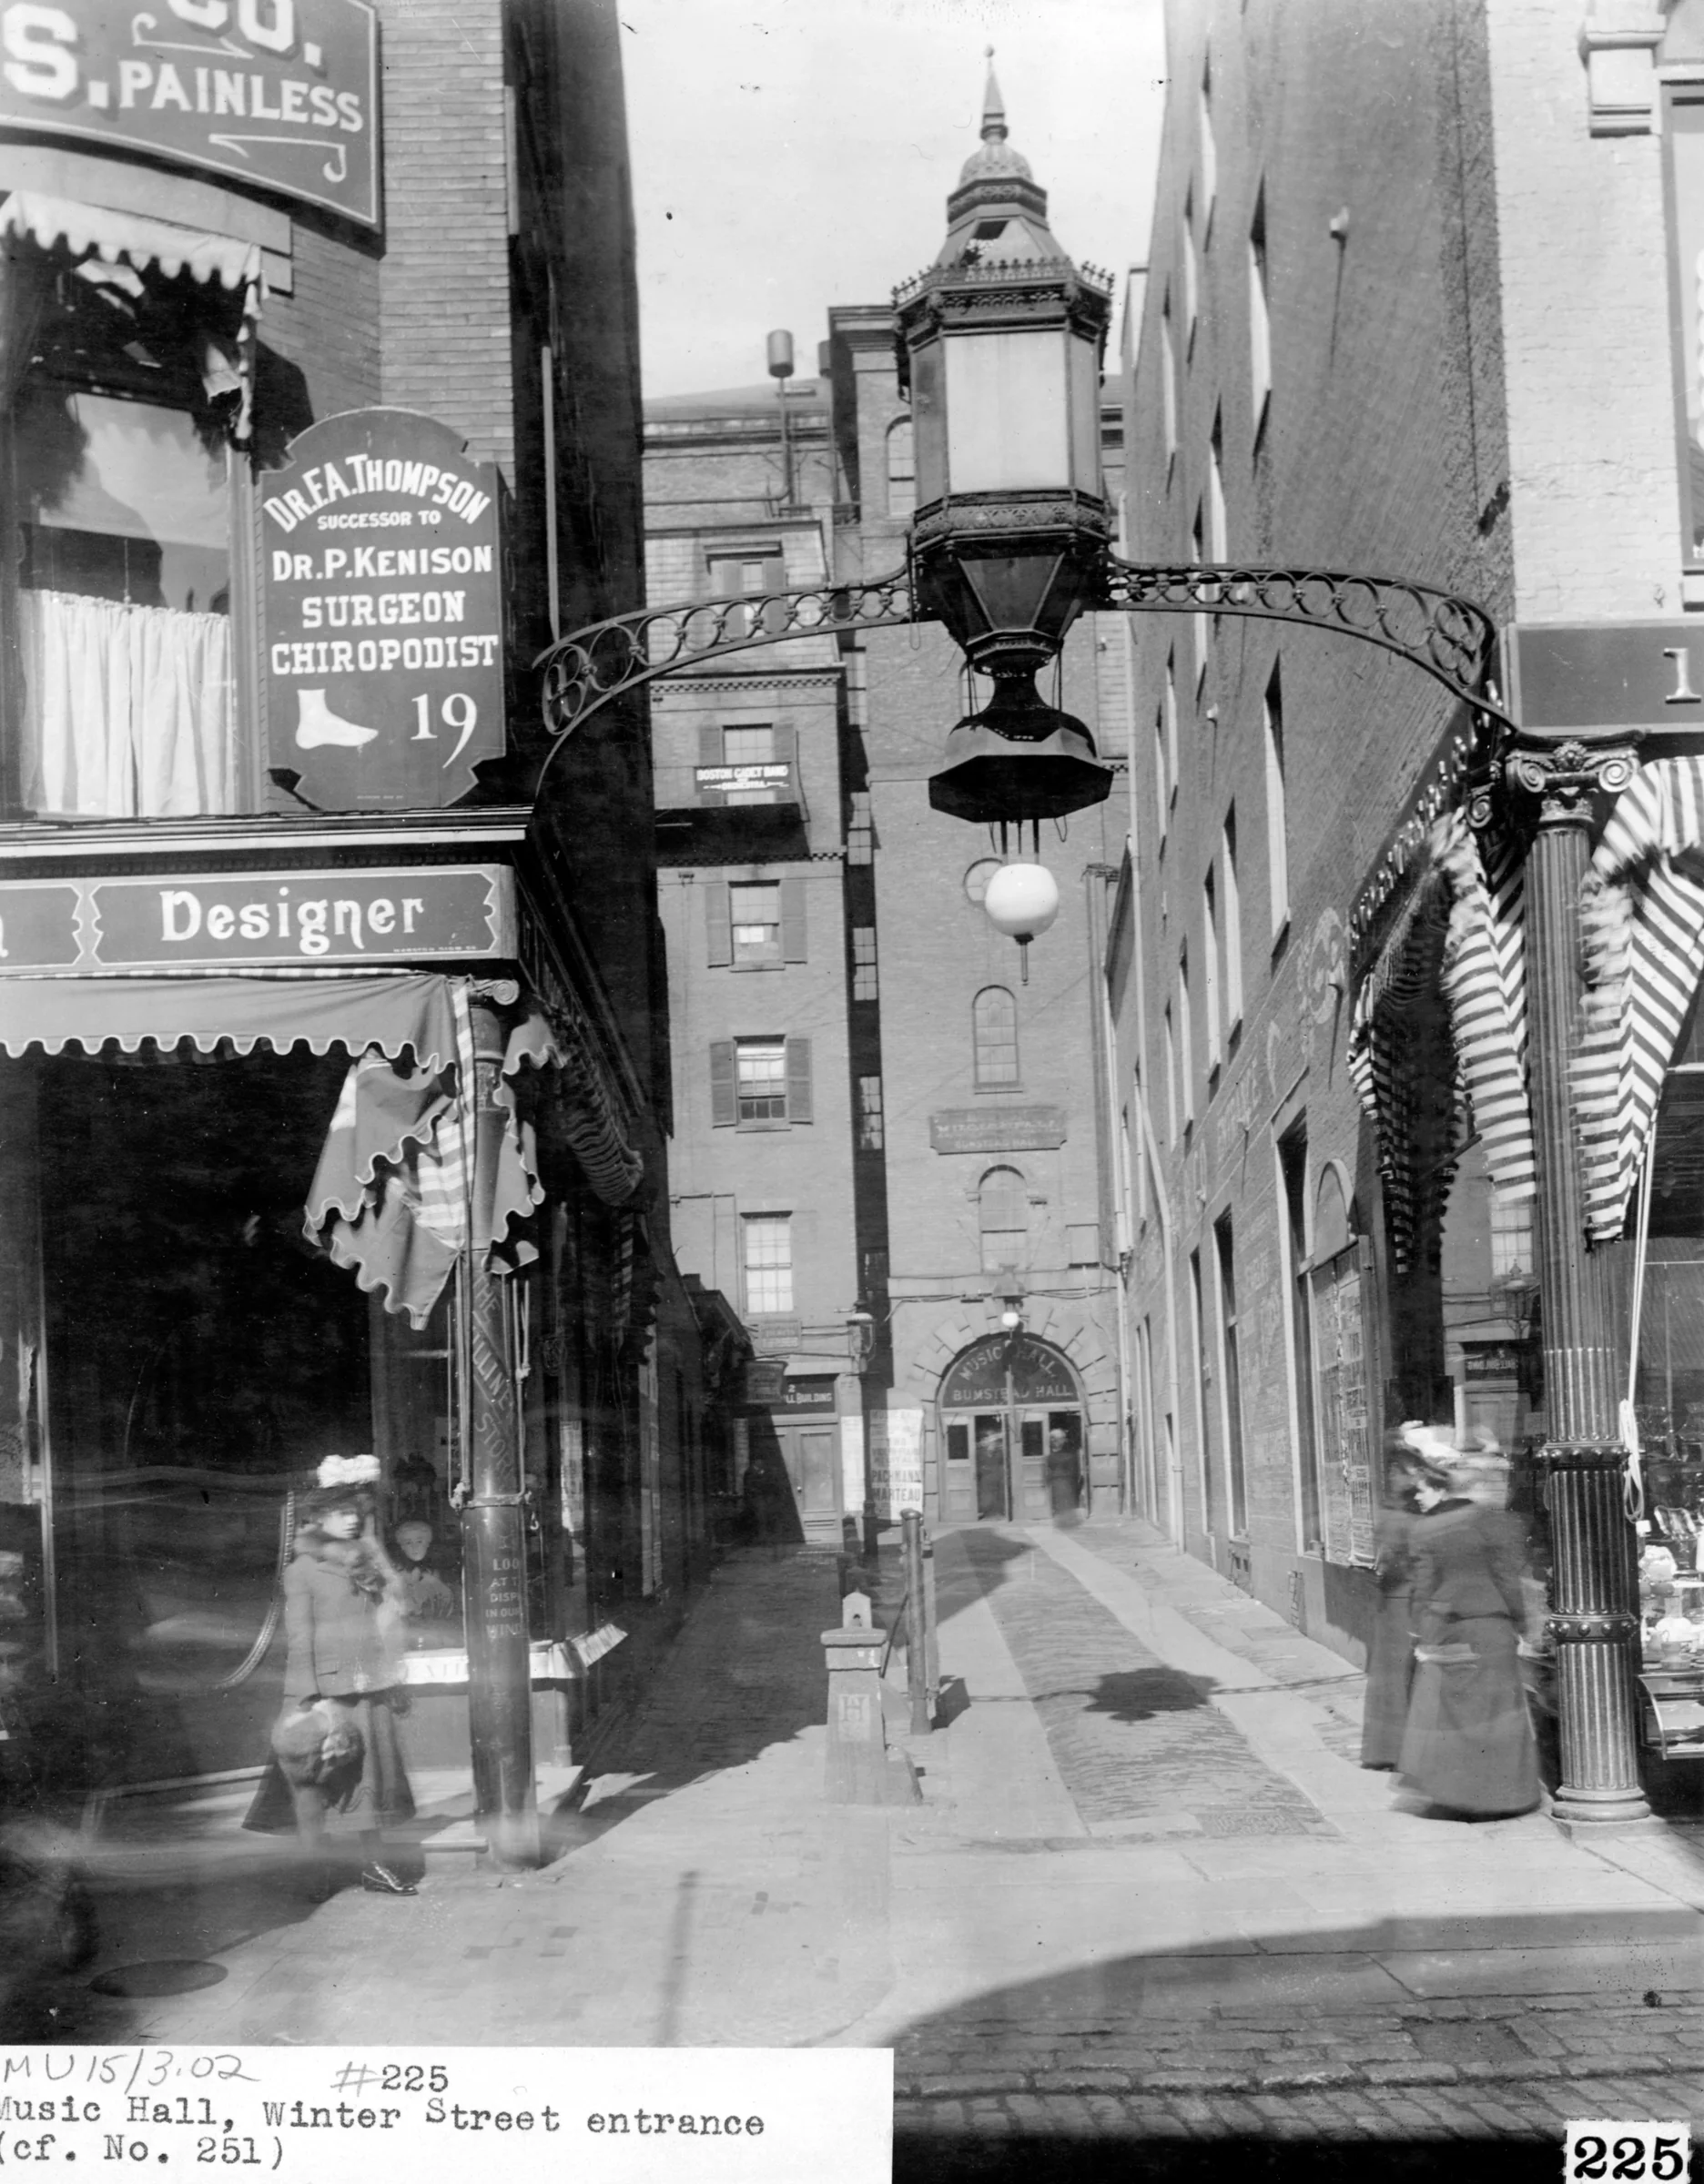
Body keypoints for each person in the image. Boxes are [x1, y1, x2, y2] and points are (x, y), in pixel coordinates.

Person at [243, 1455, 418, 1894]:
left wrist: (394, 1672)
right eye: (342, 1513)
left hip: (371, 1685)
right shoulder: (302, 1571)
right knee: (316, 1788)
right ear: (319, 1516)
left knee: (370, 1783)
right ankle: (312, 1870)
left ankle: (372, 1865)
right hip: (331, 1695)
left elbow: (388, 1622)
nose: (352, 1521)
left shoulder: (368, 1564)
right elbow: (300, 1639)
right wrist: (310, 1699)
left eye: (357, 1512)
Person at [1397, 1458, 1541, 1819]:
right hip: (1491, 1626)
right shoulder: (1499, 1524)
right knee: (1499, 1711)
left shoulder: (1428, 1529)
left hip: (1449, 1628)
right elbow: (1509, 1581)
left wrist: (1422, 1633)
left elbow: (1424, 1587)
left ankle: (1458, 1794)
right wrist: (1524, 1625)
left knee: (1458, 1712)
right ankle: (1501, 1796)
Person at [1360, 1441, 1451, 1770]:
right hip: (1403, 1602)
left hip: (1393, 1602)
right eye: (1411, 1471)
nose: (1415, 1479)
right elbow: (1404, 1561)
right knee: (1400, 1675)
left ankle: (1387, 1749)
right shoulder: (1403, 1516)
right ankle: (1397, 1751)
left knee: (1391, 1675)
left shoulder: (1393, 1511)